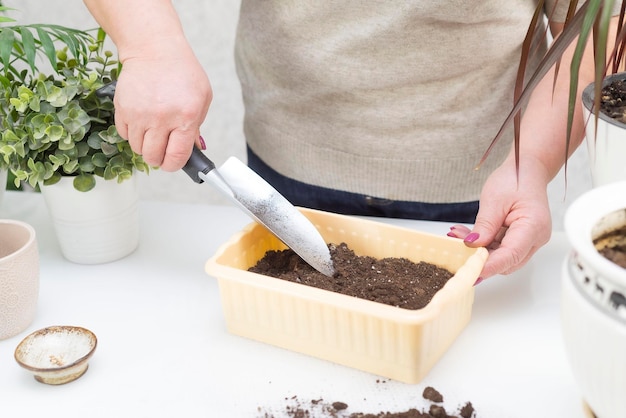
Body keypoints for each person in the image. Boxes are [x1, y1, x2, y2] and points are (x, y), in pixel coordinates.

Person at [82, 0, 619, 281]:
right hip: (285, 159)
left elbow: (602, 22)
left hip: (482, 186)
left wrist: (533, 165)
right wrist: (150, 47)